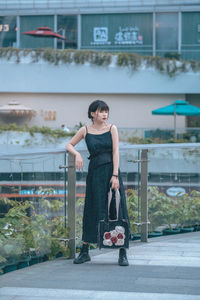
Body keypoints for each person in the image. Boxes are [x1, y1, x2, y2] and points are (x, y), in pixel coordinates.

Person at [66, 100, 130, 266]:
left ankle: (122, 252)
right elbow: (69, 145)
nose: (105, 114)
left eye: (106, 111)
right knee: (92, 208)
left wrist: (115, 175)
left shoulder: (112, 128)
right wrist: (77, 155)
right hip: (94, 173)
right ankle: (85, 251)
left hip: (111, 172)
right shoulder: (85, 130)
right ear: (92, 113)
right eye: (101, 111)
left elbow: (116, 152)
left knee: (117, 209)